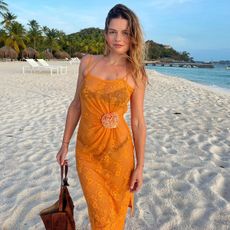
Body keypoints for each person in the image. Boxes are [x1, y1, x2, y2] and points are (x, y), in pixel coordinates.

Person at [56, 3, 147, 229]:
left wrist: (140, 166)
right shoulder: (88, 62)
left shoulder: (136, 73)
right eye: (113, 32)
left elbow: (137, 121)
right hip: (87, 153)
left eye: (125, 33)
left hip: (120, 155)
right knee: (100, 214)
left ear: (133, 36)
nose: (119, 38)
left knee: (111, 218)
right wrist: (64, 144)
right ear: (105, 34)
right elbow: (76, 105)